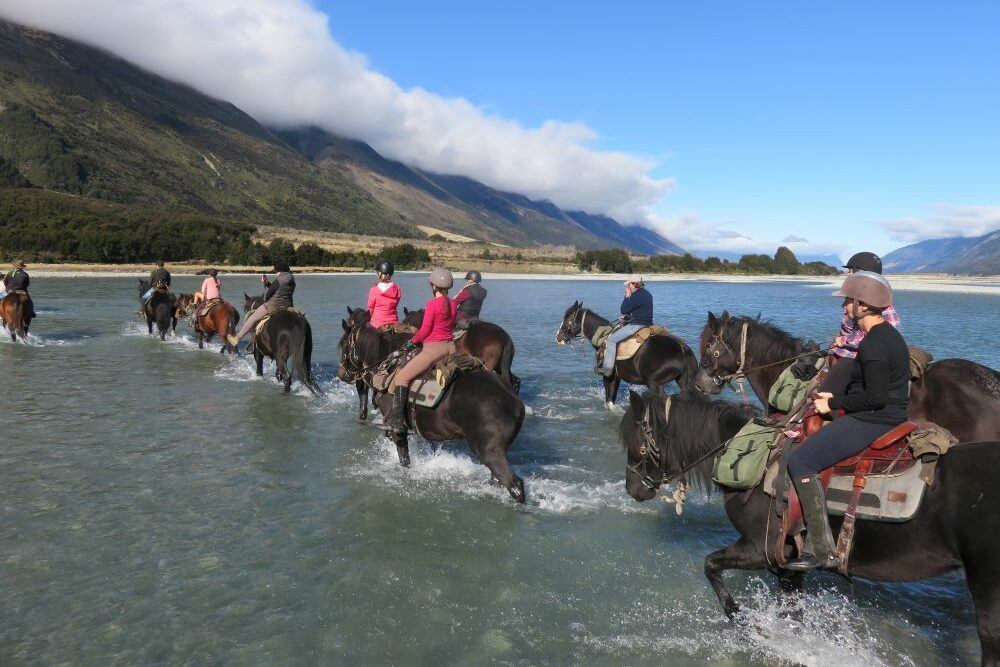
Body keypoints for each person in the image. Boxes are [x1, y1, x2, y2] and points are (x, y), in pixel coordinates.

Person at [785, 271, 909, 570]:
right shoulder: (885, 336)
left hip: (875, 419)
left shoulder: (874, 344)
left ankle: (821, 549)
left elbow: (875, 398)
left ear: (864, 306)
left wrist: (833, 402)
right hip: (880, 413)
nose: (845, 308)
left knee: (800, 462)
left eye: (850, 302)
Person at [384, 268, 456, 435]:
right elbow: (451, 325)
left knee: (402, 377)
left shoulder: (432, 304)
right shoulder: (453, 303)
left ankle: (398, 422)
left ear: (433, 286)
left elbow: (424, 331)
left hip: (433, 350)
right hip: (451, 348)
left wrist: (412, 342)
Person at [820, 252, 901, 395]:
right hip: (844, 353)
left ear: (865, 274)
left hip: (854, 358)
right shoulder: (856, 297)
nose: (848, 274)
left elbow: (877, 338)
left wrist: (843, 340)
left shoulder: (879, 304)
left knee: (824, 393)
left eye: (852, 271)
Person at [227, 263, 295, 347]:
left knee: (252, 319)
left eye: (276, 272)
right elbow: (279, 289)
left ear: (279, 271)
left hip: (274, 305)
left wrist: (265, 300)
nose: (276, 274)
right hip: (288, 306)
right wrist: (267, 283)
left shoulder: (279, 279)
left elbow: (269, 293)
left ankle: (236, 338)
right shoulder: (292, 279)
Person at [597, 276, 653, 377]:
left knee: (612, 340)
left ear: (634, 284)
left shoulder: (636, 295)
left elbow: (623, 309)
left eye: (629, 284)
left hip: (637, 325)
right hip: (646, 323)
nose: (628, 286)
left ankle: (607, 369)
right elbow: (640, 310)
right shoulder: (647, 294)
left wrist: (627, 296)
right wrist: (626, 318)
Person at [367, 259, 401, 328]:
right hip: (394, 323)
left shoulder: (374, 290)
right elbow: (395, 305)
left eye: (377, 273)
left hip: (377, 324)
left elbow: (371, 308)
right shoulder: (397, 289)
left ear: (380, 274)